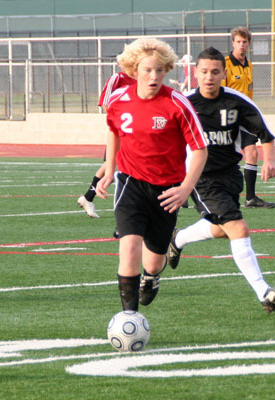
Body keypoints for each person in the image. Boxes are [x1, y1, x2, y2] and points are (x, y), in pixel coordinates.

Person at [167, 47, 275, 314]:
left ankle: (178, 240)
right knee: (238, 228)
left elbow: (265, 134)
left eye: (215, 72)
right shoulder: (183, 102)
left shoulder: (237, 101)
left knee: (222, 229)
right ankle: (264, 292)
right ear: (195, 72)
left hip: (230, 175)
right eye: (204, 71)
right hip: (201, 178)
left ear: (224, 73)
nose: (209, 77)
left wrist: (269, 160)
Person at [95, 38, 208, 312]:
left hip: (168, 191)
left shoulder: (177, 103)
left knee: (154, 261)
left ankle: (152, 276)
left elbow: (201, 149)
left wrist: (185, 189)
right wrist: (110, 168)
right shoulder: (119, 101)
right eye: (147, 70)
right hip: (131, 183)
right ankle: (129, 318)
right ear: (134, 71)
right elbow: (113, 130)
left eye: (159, 70)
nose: (154, 76)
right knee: (129, 247)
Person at [222, 27, 275, 209]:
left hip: (245, 117)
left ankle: (250, 198)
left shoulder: (249, 65)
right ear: (233, 43)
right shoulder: (225, 64)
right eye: (238, 42)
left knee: (252, 152)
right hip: (228, 117)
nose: (242, 45)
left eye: (245, 42)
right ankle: (187, 188)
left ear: (249, 44)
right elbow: (221, 93)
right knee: (215, 156)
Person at [77, 65, 136, 219]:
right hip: (123, 128)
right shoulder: (118, 78)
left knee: (112, 163)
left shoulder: (141, 79)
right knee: (114, 163)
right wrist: (119, 121)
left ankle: (88, 197)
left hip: (137, 129)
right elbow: (104, 102)